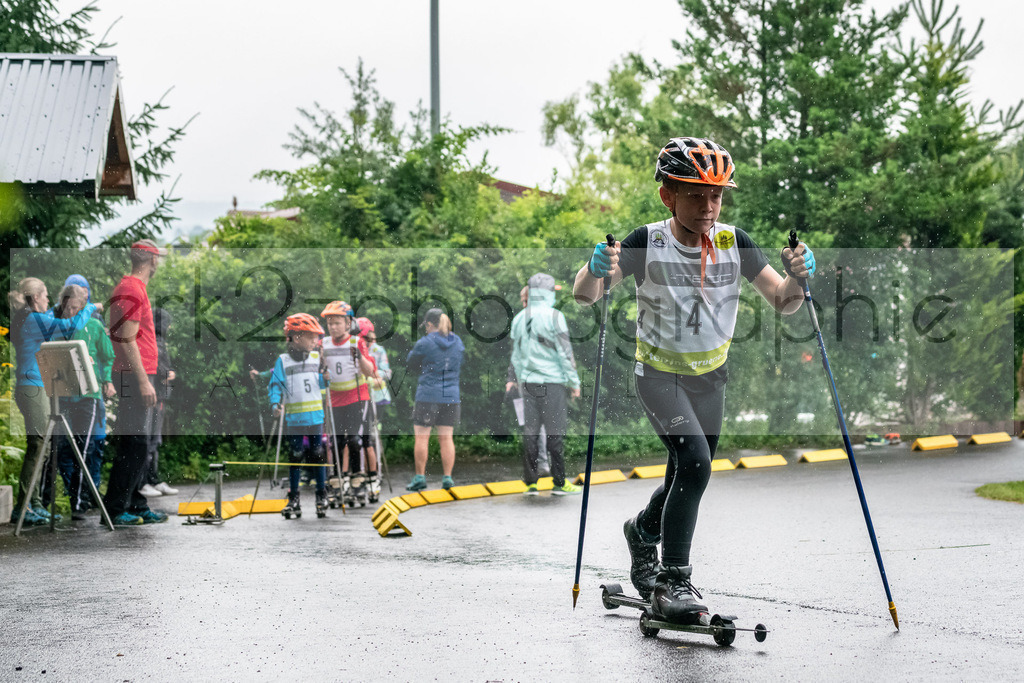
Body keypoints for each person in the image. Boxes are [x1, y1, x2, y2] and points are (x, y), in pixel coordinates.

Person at [572, 137, 815, 624]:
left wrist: (798, 279)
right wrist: (593, 268)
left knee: (685, 471)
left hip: (710, 378)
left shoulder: (734, 242)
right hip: (659, 376)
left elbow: (783, 303)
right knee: (697, 465)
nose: (708, 206)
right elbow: (586, 295)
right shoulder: (648, 241)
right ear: (669, 196)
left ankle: (642, 533)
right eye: (696, 194)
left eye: (717, 195)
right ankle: (672, 579)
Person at [7, 277, 96, 525]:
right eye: (45, 295)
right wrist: (89, 307)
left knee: (43, 447)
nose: (48, 300)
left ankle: (33, 504)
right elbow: (69, 326)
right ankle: (23, 508)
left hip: (34, 386)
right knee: (38, 445)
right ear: (35, 297)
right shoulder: (33, 319)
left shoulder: (29, 319)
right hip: (32, 387)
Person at [103, 239, 170, 526]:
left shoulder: (134, 287)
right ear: (152, 260)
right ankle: (116, 509)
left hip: (138, 372)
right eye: (160, 259)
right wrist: (144, 382)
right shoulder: (130, 288)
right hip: (134, 375)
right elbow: (127, 340)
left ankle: (136, 502)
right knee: (134, 442)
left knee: (138, 443)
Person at [508, 273, 583, 496]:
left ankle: (531, 483)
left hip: (528, 383)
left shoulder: (519, 318)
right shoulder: (555, 316)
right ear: (547, 293)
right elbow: (565, 353)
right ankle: (559, 482)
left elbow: (516, 356)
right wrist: (574, 382)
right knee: (555, 432)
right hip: (552, 383)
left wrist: (522, 379)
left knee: (530, 432)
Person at [52, 280, 116, 519]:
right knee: (61, 448)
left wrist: (107, 380)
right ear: (63, 305)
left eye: (77, 308)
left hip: (89, 394)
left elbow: (108, 355)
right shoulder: (57, 325)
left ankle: (79, 503)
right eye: (69, 308)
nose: (73, 313)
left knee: (84, 447)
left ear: (84, 306)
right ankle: (75, 495)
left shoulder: (94, 326)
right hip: (63, 393)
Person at [269, 313, 330, 519]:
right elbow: (276, 384)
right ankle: (293, 498)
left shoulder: (316, 357)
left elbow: (321, 384)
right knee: (295, 456)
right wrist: (275, 403)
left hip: (315, 416)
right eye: (312, 337)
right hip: (294, 418)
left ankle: (321, 495)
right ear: (297, 338)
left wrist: (326, 377)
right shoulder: (283, 361)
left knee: (318, 454)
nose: (316, 341)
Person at [319, 302, 378, 505]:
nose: (333, 327)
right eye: (330, 323)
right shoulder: (324, 344)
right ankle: (336, 482)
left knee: (354, 440)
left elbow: (371, 371)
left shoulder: (356, 342)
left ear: (347, 323)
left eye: (337, 323)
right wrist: (322, 371)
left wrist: (359, 357)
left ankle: (357, 481)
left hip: (357, 398)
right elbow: (318, 368)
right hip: (334, 399)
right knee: (335, 442)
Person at [406, 308, 464, 492]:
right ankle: (447, 478)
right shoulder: (458, 342)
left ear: (430, 324)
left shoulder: (425, 342)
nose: (425, 330)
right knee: (446, 438)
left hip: (428, 395)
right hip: (451, 396)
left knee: (422, 437)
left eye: (426, 326)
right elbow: (460, 362)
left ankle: (420, 477)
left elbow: (411, 363)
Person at [138, 308, 178, 498]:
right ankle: (143, 481)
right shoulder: (153, 340)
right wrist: (167, 374)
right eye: (167, 322)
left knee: (155, 439)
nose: (169, 326)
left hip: (160, 395)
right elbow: (154, 365)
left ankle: (153, 479)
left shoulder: (158, 340)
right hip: (154, 395)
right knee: (150, 439)